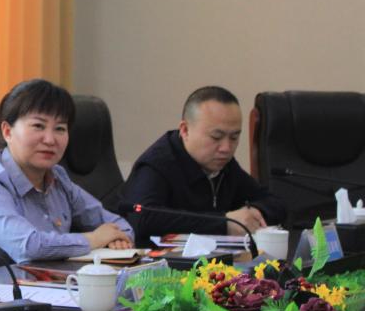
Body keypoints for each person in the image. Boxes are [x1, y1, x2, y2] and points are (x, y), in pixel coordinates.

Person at [0, 79, 134, 263]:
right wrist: (94, 239)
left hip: (51, 278)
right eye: (38, 126)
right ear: (7, 132)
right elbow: (29, 247)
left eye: (60, 129)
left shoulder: (58, 178)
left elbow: (118, 226)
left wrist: (117, 240)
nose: (50, 139)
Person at [119, 86, 287, 245]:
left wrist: (255, 212)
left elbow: (275, 202)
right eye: (216, 137)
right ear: (185, 130)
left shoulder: (224, 165)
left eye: (234, 137)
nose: (226, 148)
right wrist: (224, 223)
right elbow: (144, 218)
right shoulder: (156, 165)